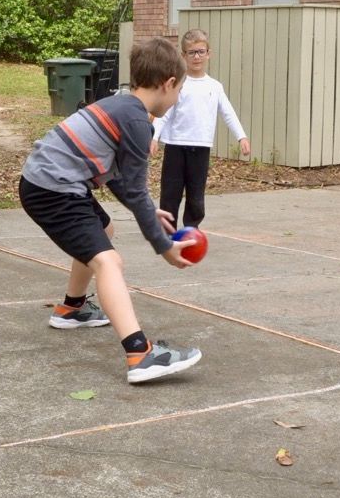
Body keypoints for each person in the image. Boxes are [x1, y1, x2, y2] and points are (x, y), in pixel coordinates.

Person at [19, 37, 202, 384]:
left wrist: (148, 211)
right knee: (109, 261)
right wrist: (163, 247)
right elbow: (133, 187)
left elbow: (117, 178)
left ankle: (71, 308)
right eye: (178, 93)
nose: (176, 100)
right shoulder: (137, 122)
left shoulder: (120, 106)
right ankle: (140, 353)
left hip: (47, 181)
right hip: (54, 189)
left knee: (104, 232)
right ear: (169, 84)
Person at [150, 28, 251, 229]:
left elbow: (228, 113)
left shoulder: (214, 86)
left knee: (196, 195)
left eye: (201, 52)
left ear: (208, 53)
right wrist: (153, 136)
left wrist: (242, 137)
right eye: (192, 52)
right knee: (171, 192)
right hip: (176, 146)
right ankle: (167, 232)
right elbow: (165, 112)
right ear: (183, 56)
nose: (197, 57)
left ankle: (191, 230)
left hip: (201, 146)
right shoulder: (178, 84)